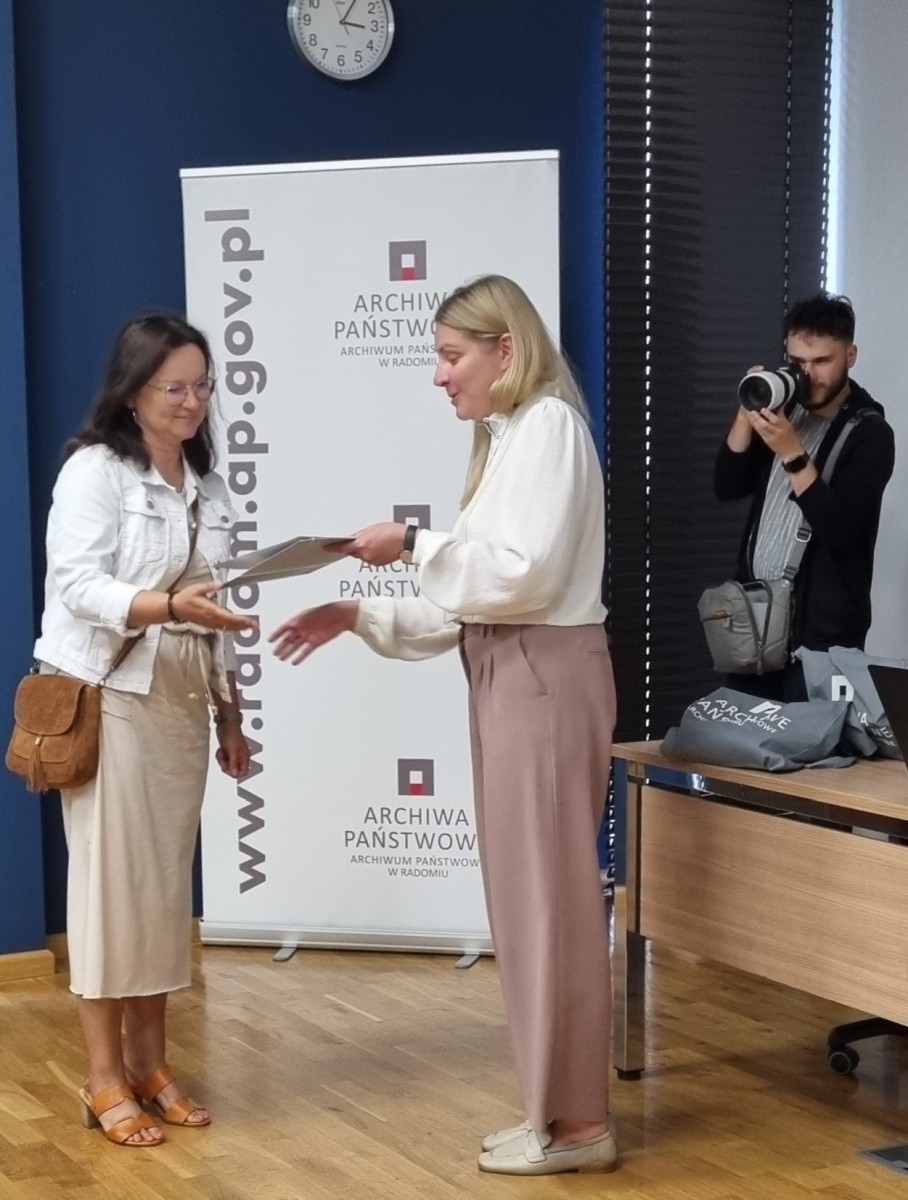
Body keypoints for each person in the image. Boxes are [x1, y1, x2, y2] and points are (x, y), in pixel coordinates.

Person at [269, 275, 618, 1176]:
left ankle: (579, 1124)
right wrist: (358, 612)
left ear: (507, 349)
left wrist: (414, 545)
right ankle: (552, 1110)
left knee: (549, 901)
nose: (439, 375)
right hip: (513, 669)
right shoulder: (512, 438)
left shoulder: (548, 428)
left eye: (451, 355)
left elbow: (522, 576)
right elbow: (474, 601)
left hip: (541, 675)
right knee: (527, 901)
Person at [34, 313, 256, 1147]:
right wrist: (165, 605)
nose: (192, 401)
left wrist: (230, 714)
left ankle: (151, 1064)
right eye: (175, 387)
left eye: (203, 386)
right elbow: (77, 585)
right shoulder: (96, 471)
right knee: (108, 894)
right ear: (132, 393)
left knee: (162, 894)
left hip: (179, 704)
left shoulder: (207, 485)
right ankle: (102, 1078)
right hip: (109, 697)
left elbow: (213, 613)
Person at [714, 292, 895, 701]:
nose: (808, 375)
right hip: (756, 628)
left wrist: (793, 453)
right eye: (798, 362)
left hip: (822, 643)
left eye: (821, 361)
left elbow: (841, 531)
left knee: (816, 742)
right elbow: (727, 485)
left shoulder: (870, 433)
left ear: (850, 356)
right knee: (738, 738)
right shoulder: (784, 411)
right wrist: (746, 411)